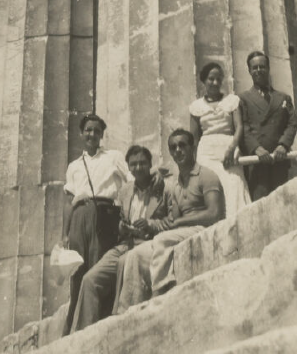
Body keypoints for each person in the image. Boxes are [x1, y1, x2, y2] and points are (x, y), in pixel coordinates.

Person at [115, 128, 224, 311]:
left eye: (182, 145)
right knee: (135, 255)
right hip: (180, 233)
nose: (178, 151)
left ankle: (160, 296)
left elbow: (214, 214)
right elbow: (170, 222)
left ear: (193, 148)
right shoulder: (177, 185)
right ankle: (127, 309)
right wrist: (148, 225)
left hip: (203, 228)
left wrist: (180, 223)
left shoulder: (207, 175)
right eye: (173, 148)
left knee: (162, 240)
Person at [71, 145, 170, 331]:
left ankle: (118, 325)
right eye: (133, 165)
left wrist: (150, 225)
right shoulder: (125, 191)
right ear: (129, 167)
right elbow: (121, 222)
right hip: (126, 243)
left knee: (125, 264)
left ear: (150, 164)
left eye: (142, 163)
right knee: (90, 279)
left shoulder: (162, 187)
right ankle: (83, 335)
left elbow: (170, 219)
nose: (138, 168)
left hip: (149, 243)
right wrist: (122, 228)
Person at [61, 113, 129, 336]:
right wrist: (64, 234)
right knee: (79, 272)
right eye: (88, 130)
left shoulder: (113, 157)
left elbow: (130, 180)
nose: (92, 134)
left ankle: (100, 321)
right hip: (80, 216)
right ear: (81, 133)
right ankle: (76, 326)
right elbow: (68, 202)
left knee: (99, 266)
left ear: (102, 135)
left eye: (97, 131)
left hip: (104, 213)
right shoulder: (74, 165)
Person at [189, 62, 250, 217]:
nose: (215, 83)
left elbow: (239, 128)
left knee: (234, 185)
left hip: (229, 148)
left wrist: (231, 148)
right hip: (206, 153)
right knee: (213, 188)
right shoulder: (196, 106)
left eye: (218, 79)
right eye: (211, 79)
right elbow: (194, 138)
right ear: (203, 81)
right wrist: (194, 164)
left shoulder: (231, 101)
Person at [238, 51, 297, 201]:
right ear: (249, 71)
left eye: (262, 67)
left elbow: (292, 123)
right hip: (256, 162)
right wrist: (256, 148)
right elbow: (243, 128)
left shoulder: (283, 97)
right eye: (255, 67)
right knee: (260, 205)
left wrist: (283, 145)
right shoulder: (243, 98)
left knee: (283, 202)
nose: (259, 70)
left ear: (268, 68)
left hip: (279, 160)